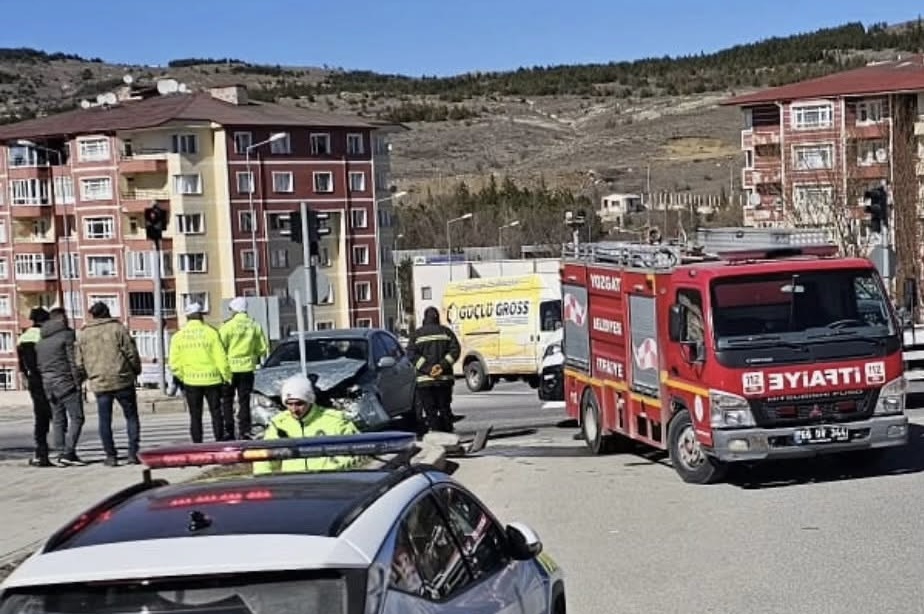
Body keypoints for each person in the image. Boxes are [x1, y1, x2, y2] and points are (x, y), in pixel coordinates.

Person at [252, 374, 365, 475]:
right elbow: (265, 458)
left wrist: (334, 470)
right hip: (293, 487)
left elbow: (358, 451)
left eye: (299, 403)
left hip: (331, 484)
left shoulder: (336, 420)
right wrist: (264, 480)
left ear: (310, 400)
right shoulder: (278, 424)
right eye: (289, 404)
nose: (294, 409)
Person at [75, 302, 143, 466]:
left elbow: (79, 361)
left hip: (99, 381)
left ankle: (111, 456)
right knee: (131, 417)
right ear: (108, 313)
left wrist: (85, 377)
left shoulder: (84, 334)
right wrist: (136, 370)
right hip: (122, 379)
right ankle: (133, 453)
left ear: (92, 315)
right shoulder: (117, 329)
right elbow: (130, 352)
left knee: (105, 420)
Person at [169, 302, 231, 443]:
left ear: (187, 317)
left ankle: (197, 442)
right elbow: (221, 358)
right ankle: (219, 439)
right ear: (201, 316)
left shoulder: (179, 336)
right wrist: (227, 377)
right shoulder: (211, 333)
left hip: (191, 381)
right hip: (212, 379)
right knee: (216, 413)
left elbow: (174, 363)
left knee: (195, 415)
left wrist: (182, 376)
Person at [35, 308, 85, 466]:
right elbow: (73, 360)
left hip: (48, 385)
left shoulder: (41, 341)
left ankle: (61, 451)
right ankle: (69, 452)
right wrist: (78, 382)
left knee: (58, 419)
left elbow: (40, 365)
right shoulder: (67, 336)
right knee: (77, 417)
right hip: (66, 382)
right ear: (61, 319)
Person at [219, 296, 269, 440]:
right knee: (244, 401)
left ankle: (229, 430)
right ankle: (244, 430)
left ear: (234, 310)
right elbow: (262, 348)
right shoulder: (254, 325)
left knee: (227, 401)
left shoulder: (227, 326)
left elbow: (220, 347)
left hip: (230, 369)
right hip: (247, 368)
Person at [406, 306, 461, 434]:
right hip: (444, 380)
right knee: (444, 409)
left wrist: (428, 369)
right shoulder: (446, 332)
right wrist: (441, 366)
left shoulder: (417, 335)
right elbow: (455, 351)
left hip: (425, 381)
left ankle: (436, 436)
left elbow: (411, 355)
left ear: (425, 318)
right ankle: (449, 436)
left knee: (430, 411)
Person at [17, 308, 52, 467]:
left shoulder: (24, 337)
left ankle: (41, 451)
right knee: (56, 415)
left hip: (34, 380)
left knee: (40, 417)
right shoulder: (46, 335)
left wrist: (26, 375)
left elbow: (21, 363)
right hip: (49, 377)